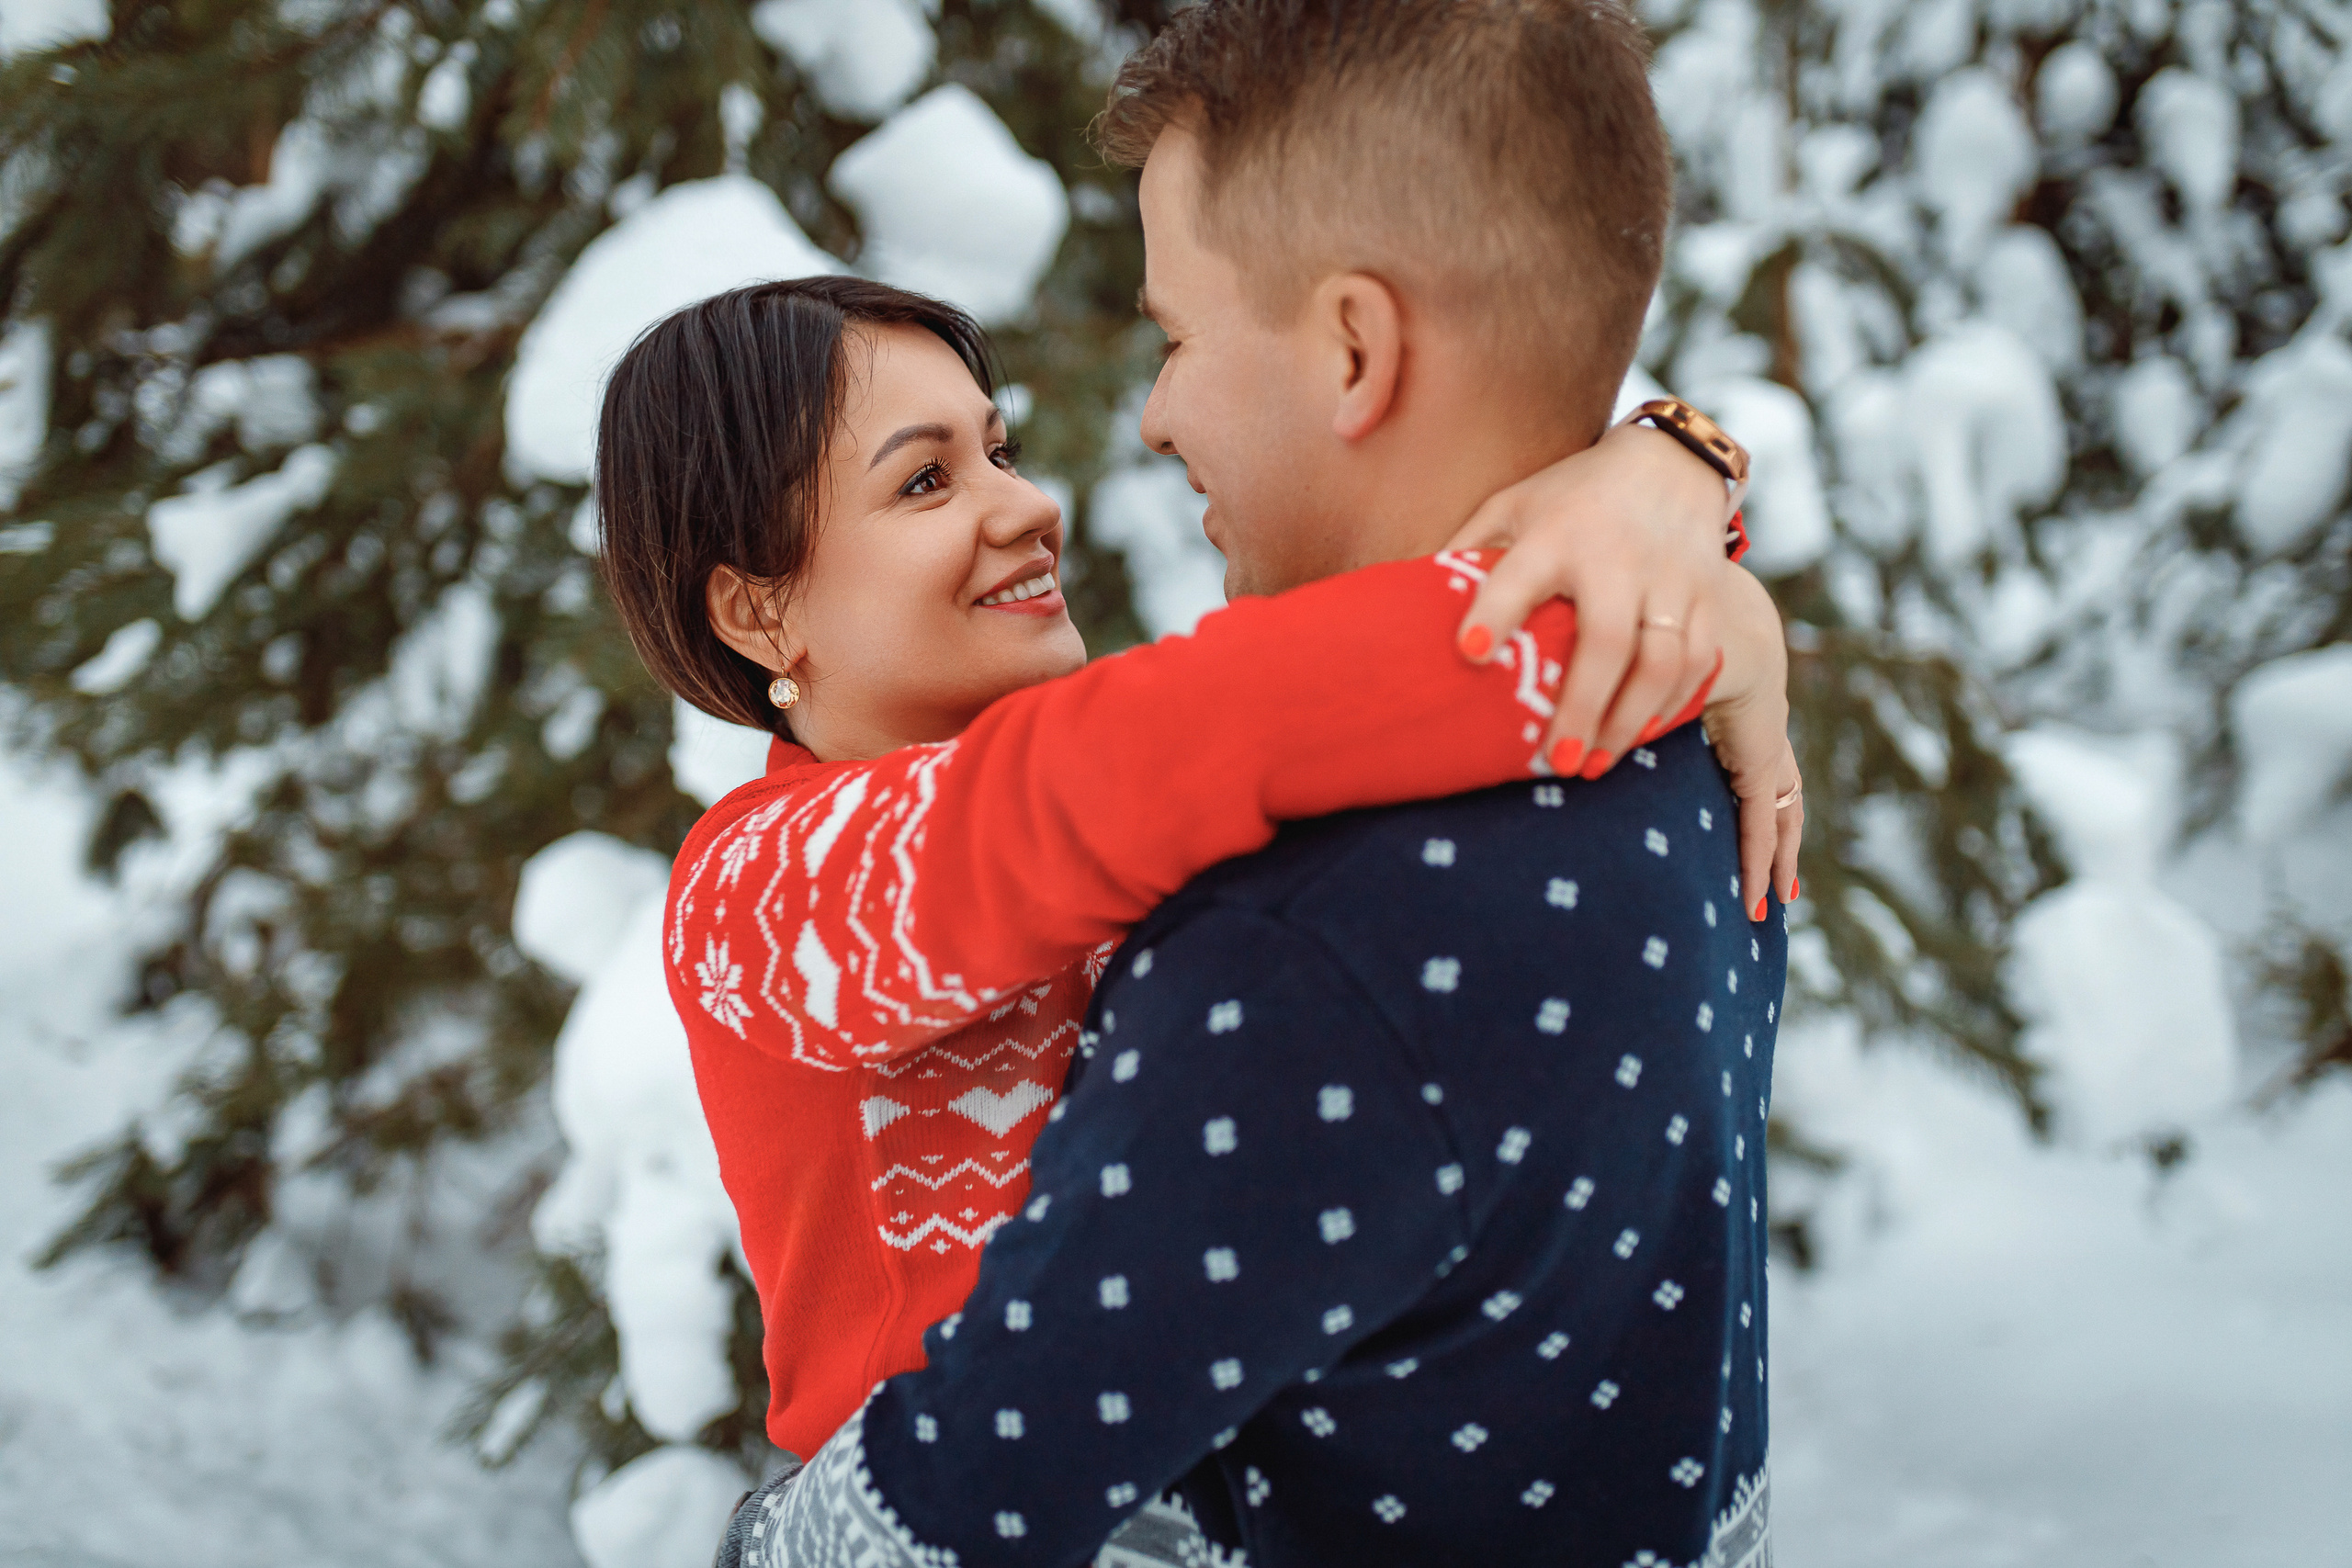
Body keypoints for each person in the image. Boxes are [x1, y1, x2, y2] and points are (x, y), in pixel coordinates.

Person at [713, 3, 1790, 1566]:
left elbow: (963, 1507)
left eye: (1176, 338)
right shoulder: (1677, 715)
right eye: (927, 478)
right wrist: (1672, 480)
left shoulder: (1308, 949)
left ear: (1355, 346)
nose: (1144, 421)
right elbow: (1140, 754)